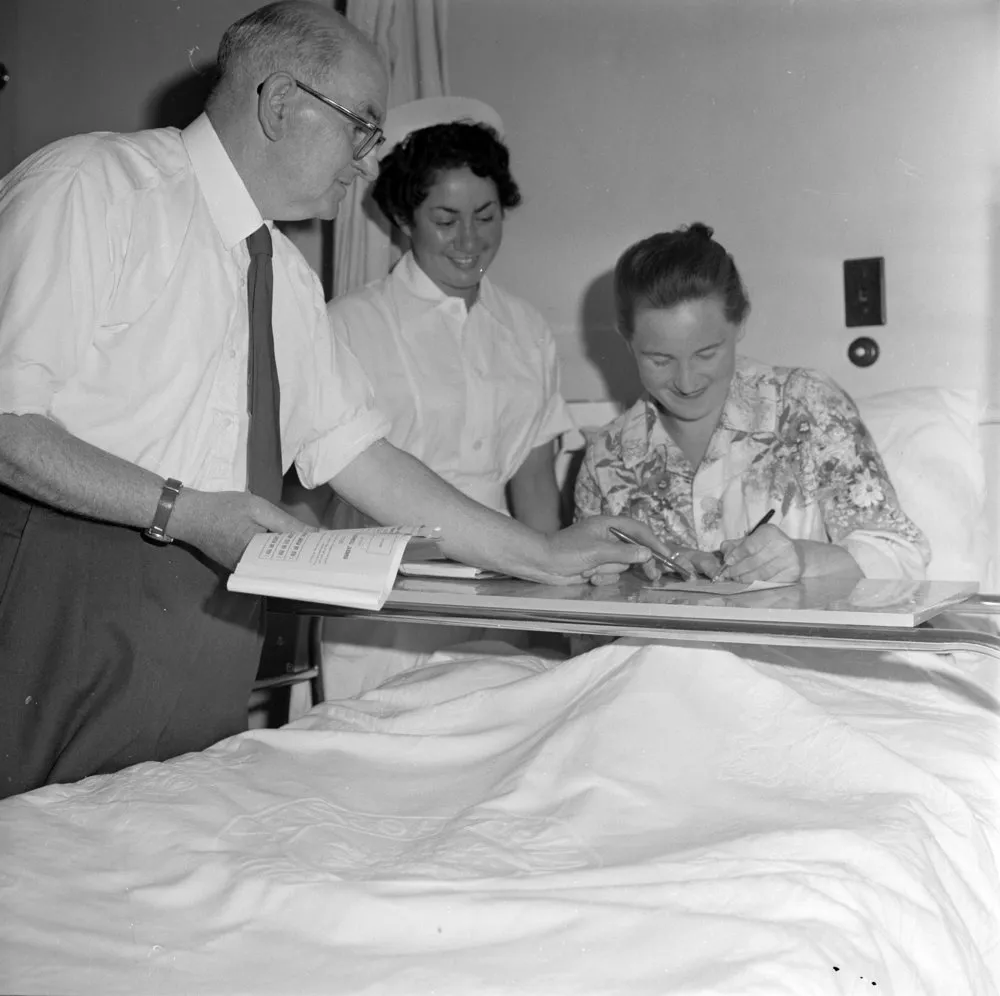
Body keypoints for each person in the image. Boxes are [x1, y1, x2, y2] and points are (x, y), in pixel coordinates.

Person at [0, 1, 668, 799]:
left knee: (157, 862)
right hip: (68, 595)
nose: (366, 159)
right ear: (282, 103)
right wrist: (185, 512)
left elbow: (363, 455)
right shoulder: (93, 189)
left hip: (210, 618)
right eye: (360, 127)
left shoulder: (283, 277)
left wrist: (542, 553)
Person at [316, 99, 574, 697]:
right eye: (446, 218)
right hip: (386, 599)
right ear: (404, 218)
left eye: (486, 216)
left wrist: (558, 621)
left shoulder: (527, 329)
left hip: (503, 586)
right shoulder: (348, 325)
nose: (469, 241)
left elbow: (534, 488)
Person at [574, 223, 930, 583]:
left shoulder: (806, 404)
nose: (686, 381)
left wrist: (802, 560)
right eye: (659, 360)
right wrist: (623, 580)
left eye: (706, 353)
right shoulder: (607, 457)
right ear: (627, 341)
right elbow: (583, 625)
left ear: (739, 323)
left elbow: (902, 555)